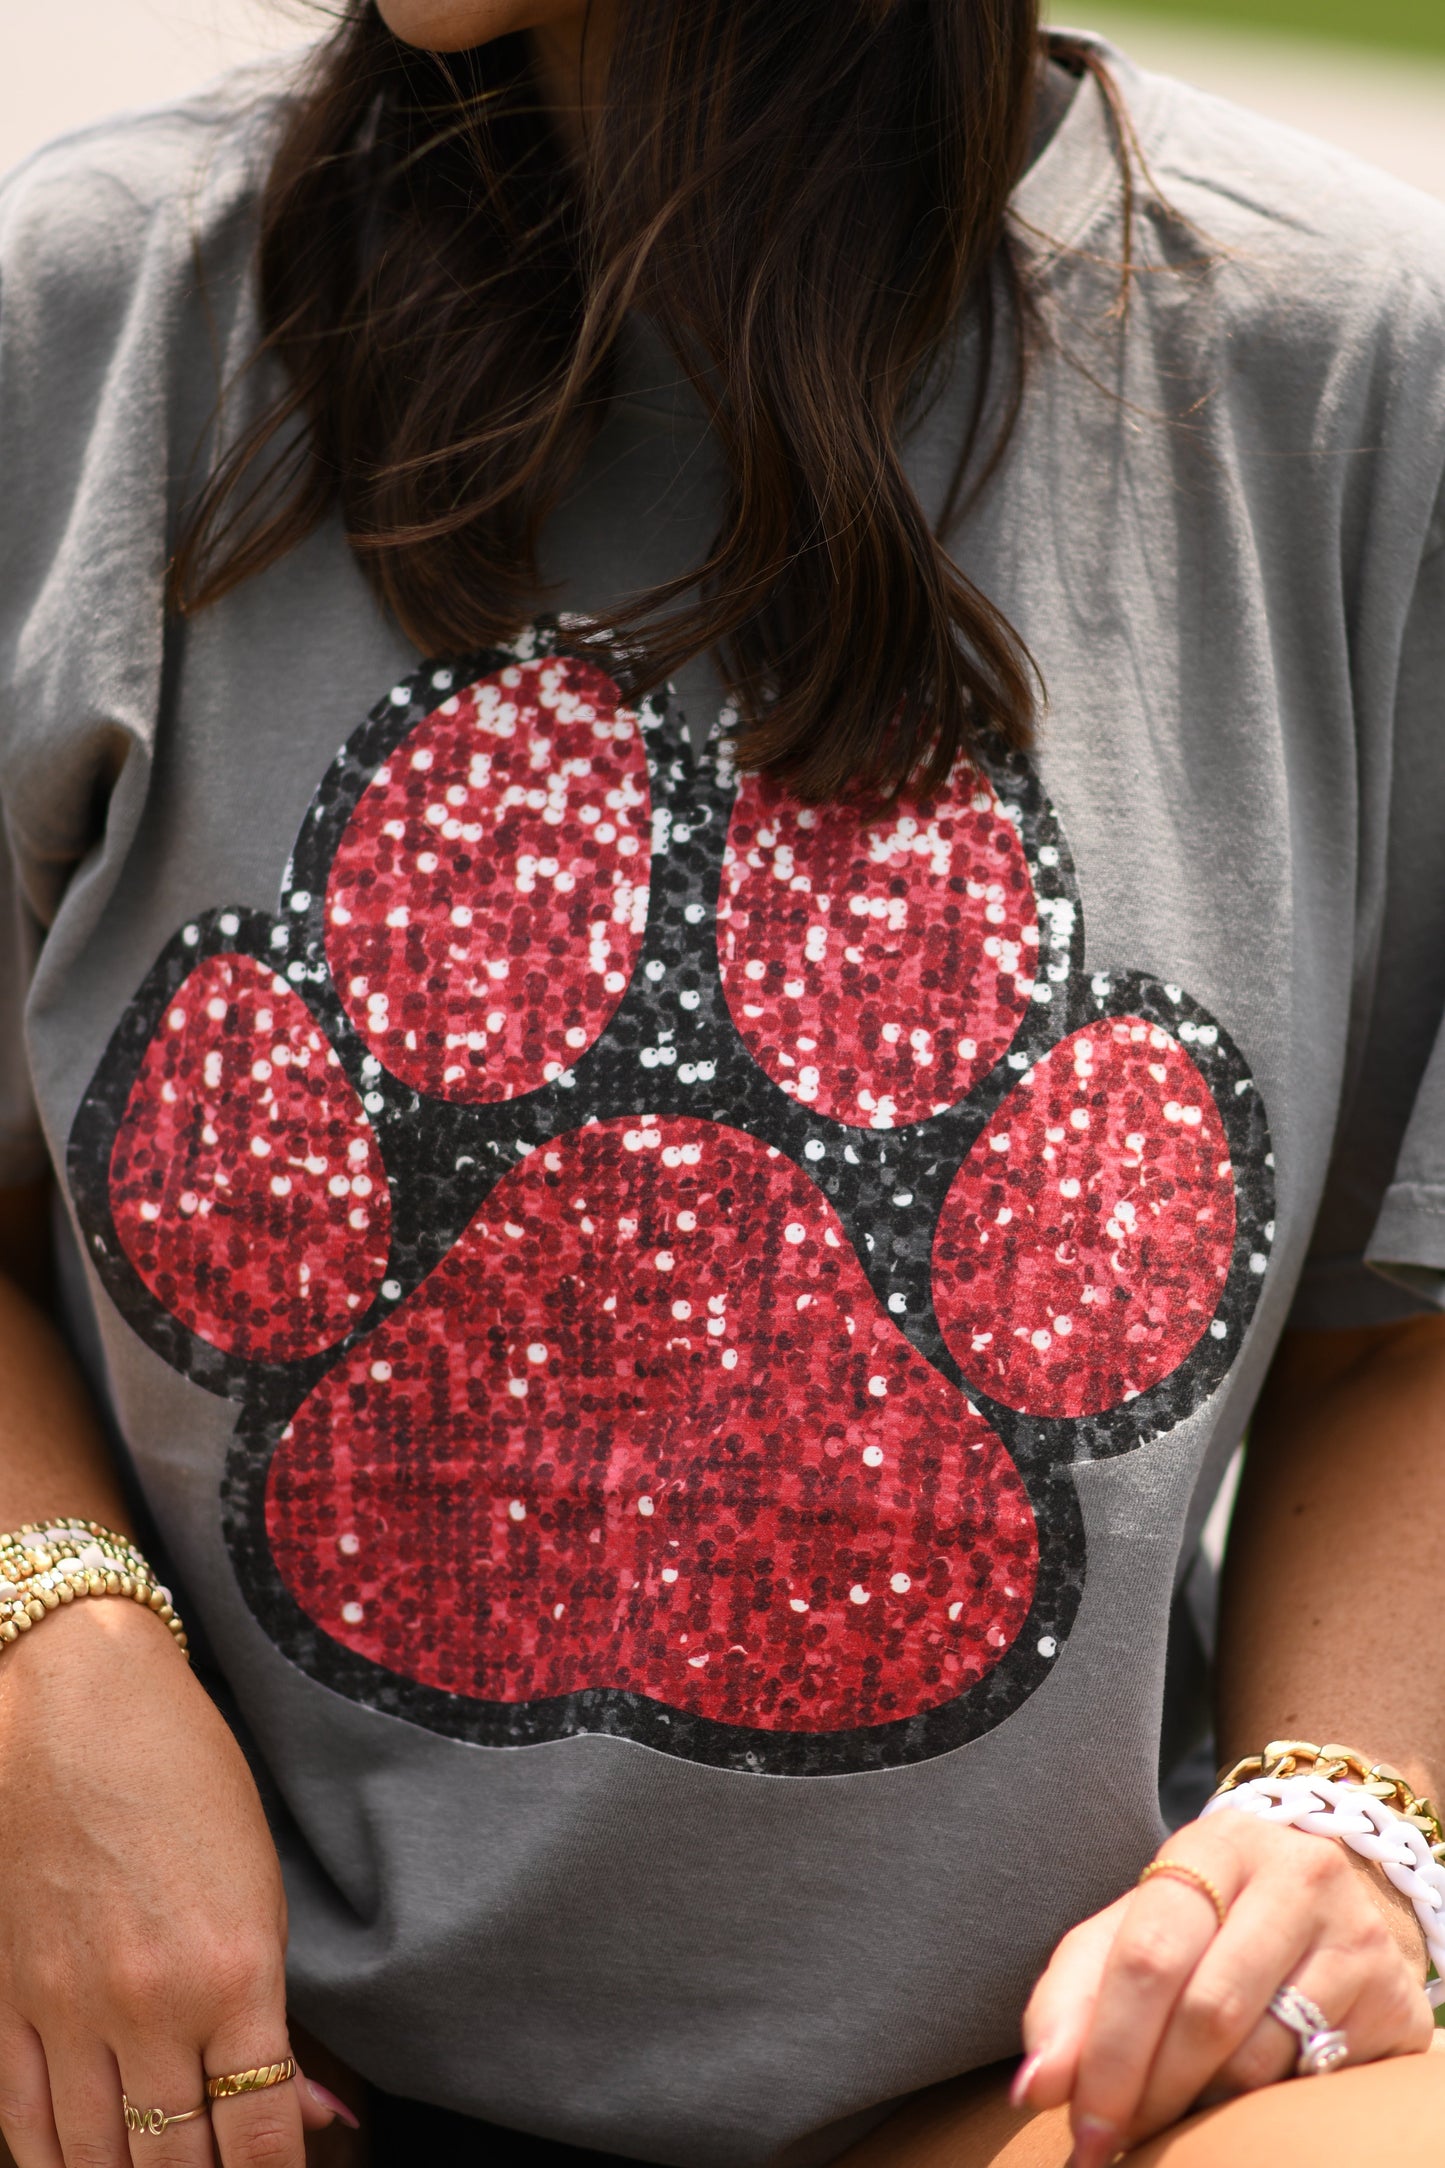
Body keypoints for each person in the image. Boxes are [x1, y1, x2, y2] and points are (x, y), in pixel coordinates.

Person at [0, 0, 1442, 2162]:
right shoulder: (101, 310)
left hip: (1015, 2093)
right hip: (199, 2077)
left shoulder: (1337, 374)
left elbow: (1405, 1301)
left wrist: (1345, 1817)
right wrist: (53, 1655)